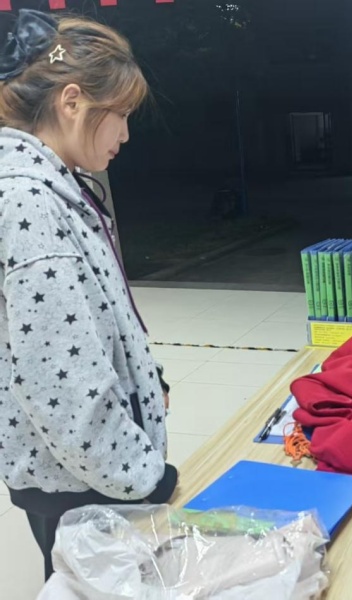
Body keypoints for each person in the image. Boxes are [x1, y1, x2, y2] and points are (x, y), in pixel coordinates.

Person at [0, 10, 177, 580]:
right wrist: (142, 476)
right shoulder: (29, 202)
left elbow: (87, 322)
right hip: (81, 481)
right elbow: (59, 379)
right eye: (120, 115)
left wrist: (145, 378)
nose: (125, 134)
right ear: (72, 102)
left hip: (80, 471)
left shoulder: (55, 187)